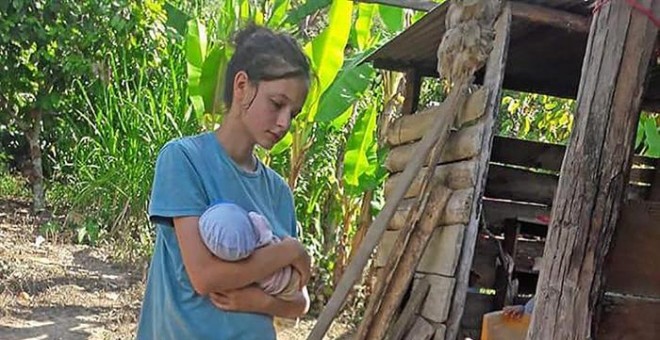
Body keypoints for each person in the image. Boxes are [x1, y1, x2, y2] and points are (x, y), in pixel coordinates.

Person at [136, 24, 313, 340]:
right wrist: (292, 252)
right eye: (277, 104)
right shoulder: (184, 159)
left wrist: (257, 300)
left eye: (293, 113)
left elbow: (298, 300)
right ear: (242, 86)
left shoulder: (278, 192)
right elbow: (205, 276)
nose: (285, 122)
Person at [198, 201, 300, 301]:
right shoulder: (260, 234)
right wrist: (292, 250)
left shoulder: (237, 263)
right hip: (289, 280)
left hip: (280, 286)